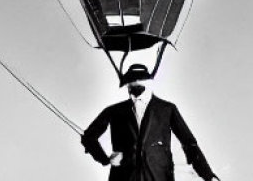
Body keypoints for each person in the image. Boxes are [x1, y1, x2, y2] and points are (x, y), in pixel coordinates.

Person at [81, 63, 220, 181]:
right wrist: (105, 159)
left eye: (138, 81)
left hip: (159, 176)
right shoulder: (115, 111)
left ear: (148, 82)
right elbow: (89, 137)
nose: (133, 85)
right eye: (130, 83)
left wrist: (208, 175)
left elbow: (189, 144)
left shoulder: (167, 109)